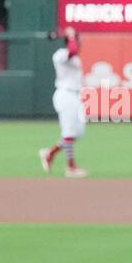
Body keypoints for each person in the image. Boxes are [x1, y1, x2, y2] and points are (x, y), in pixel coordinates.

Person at [39, 26, 87, 178]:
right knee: (69, 132)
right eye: (77, 39)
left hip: (75, 96)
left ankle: (50, 153)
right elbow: (72, 50)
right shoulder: (60, 55)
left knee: (78, 132)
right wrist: (71, 35)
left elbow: (74, 51)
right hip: (65, 95)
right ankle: (70, 167)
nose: (79, 42)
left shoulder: (75, 58)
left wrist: (70, 35)